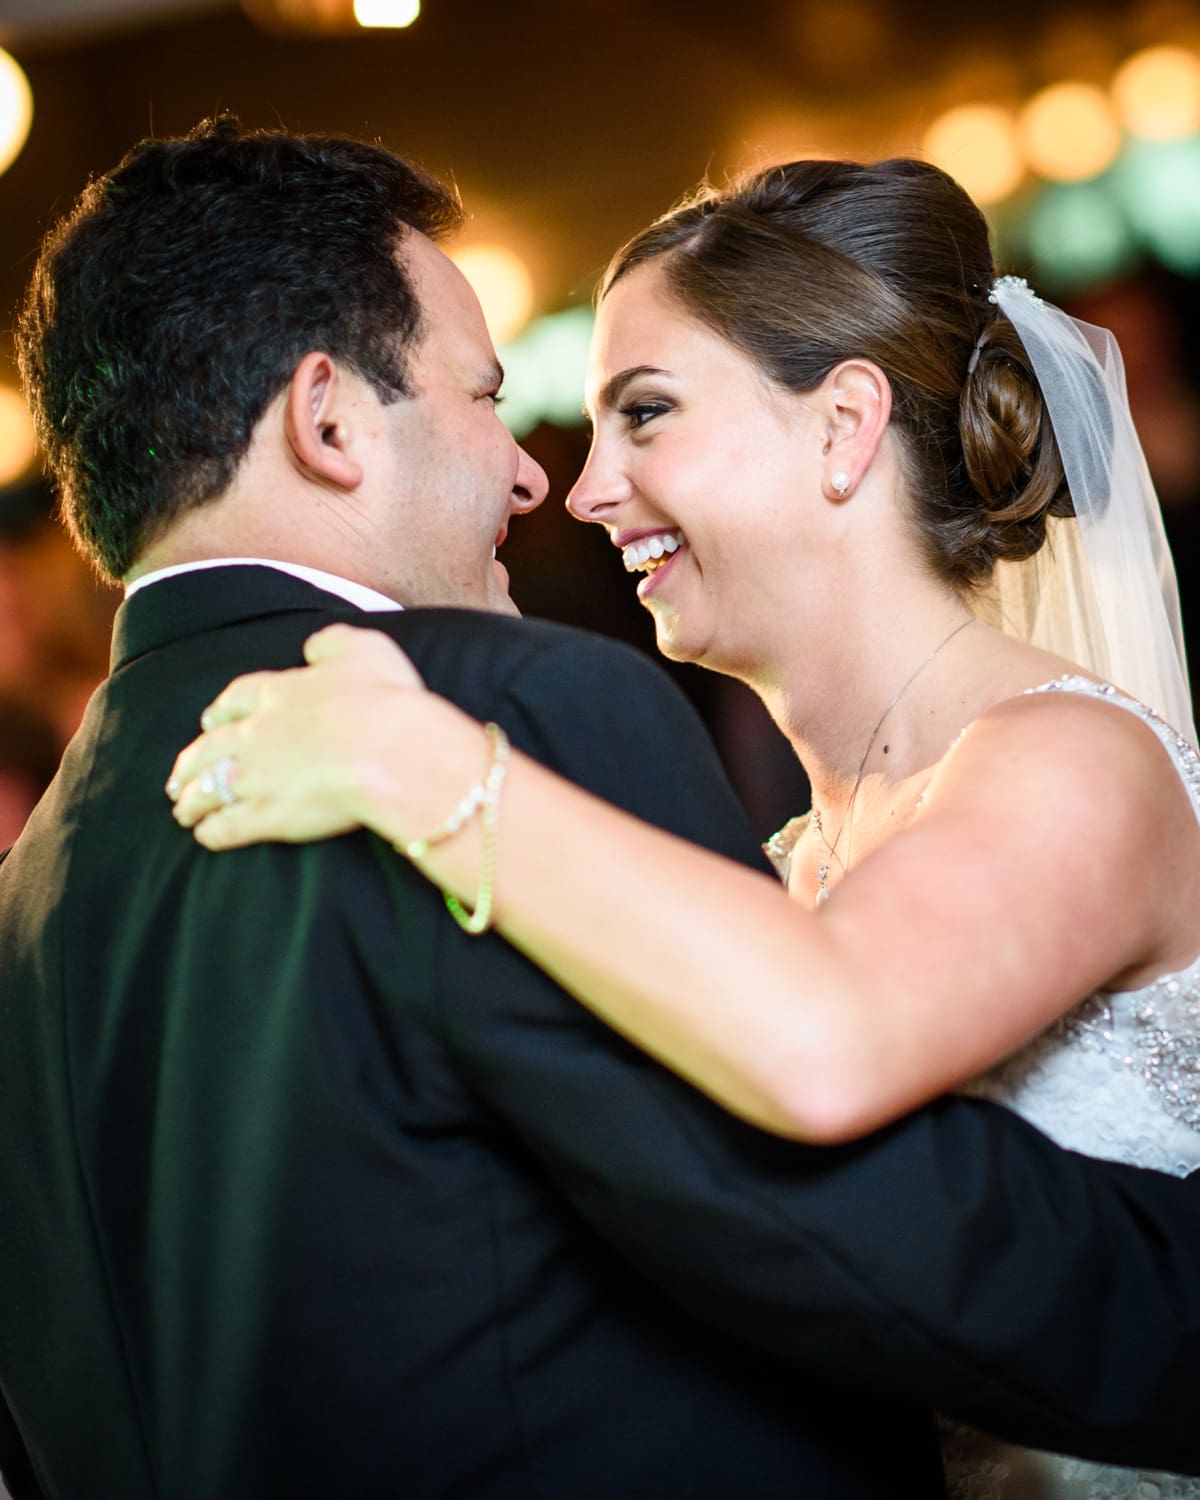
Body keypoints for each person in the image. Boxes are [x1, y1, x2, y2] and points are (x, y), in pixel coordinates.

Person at [3, 119, 1198, 1499]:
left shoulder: (30, 895)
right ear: (328, 420)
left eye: (644, 411)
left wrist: (433, 773)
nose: (554, 482)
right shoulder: (509, 714)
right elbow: (823, 1223)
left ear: (848, 425)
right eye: (483, 399)